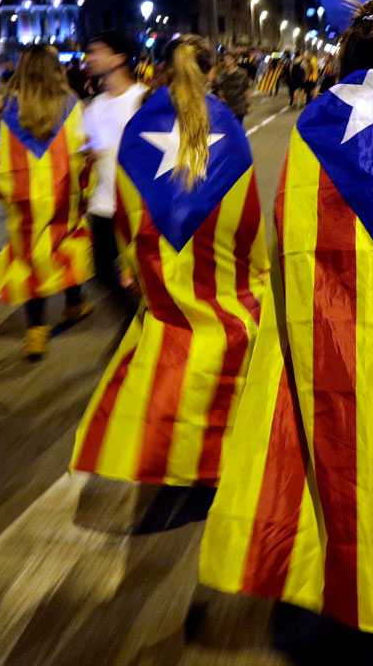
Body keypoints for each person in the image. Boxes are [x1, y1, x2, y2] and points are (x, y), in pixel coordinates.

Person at [199, 0, 373, 636]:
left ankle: (342, 587)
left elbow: (290, 233)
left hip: (327, 330)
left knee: (336, 454)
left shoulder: (313, 124)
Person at [71, 34, 269, 485]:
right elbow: (248, 210)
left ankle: (162, 447)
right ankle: (218, 450)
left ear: (158, 69)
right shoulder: (227, 125)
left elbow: (125, 205)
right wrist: (255, 266)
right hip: (214, 258)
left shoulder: (141, 123)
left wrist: (128, 263)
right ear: (212, 72)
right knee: (220, 342)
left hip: (159, 254)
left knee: (170, 345)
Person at [0, 44, 94, 360]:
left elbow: (3, 157)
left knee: (30, 258)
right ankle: (73, 305)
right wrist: (85, 186)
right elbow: (80, 150)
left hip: (26, 196)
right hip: (61, 193)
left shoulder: (14, 108)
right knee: (67, 248)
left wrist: (5, 191)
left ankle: (36, 332)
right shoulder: (71, 103)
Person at [82, 31, 146, 306]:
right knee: (100, 268)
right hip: (105, 204)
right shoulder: (94, 105)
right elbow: (89, 150)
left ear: (119, 59)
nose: (90, 57)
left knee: (148, 270)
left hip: (140, 204)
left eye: (97, 50)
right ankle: (137, 318)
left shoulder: (143, 99)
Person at [213, 51, 252, 122]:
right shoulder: (222, 74)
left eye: (228, 59)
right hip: (227, 105)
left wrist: (249, 104)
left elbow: (246, 89)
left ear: (233, 60)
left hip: (239, 105)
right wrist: (221, 97)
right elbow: (220, 89)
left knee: (238, 126)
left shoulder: (242, 73)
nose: (226, 61)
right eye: (225, 59)